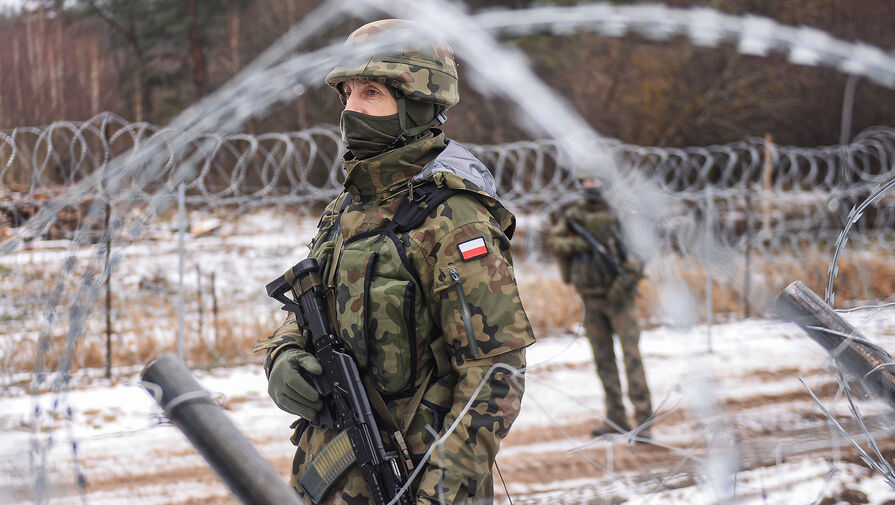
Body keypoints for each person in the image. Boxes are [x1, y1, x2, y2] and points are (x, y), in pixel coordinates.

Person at [254, 19, 535, 505]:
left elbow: (495, 374)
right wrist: (282, 355)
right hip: (330, 478)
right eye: (346, 94)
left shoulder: (454, 218)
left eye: (371, 94)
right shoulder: (346, 209)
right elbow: (307, 308)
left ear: (418, 105)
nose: (351, 110)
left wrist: (438, 494)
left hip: (417, 479)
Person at [548, 177, 652, 439]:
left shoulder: (621, 215)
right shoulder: (576, 215)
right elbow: (555, 241)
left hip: (620, 298)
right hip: (590, 297)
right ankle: (615, 418)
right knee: (603, 360)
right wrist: (579, 245)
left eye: (595, 179)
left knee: (632, 358)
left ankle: (644, 420)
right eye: (586, 180)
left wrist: (621, 286)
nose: (591, 184)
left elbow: (640, 252)